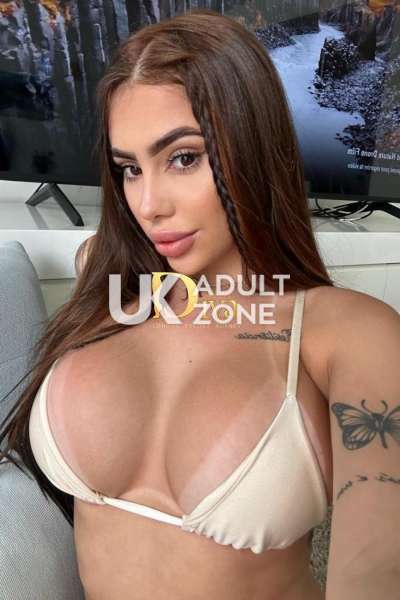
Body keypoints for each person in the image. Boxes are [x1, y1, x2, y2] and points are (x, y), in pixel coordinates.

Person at [1, 9, 400, 600]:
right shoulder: (107, 278)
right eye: (129, 169)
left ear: (254, 149)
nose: (148, 205)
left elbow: (377, 571)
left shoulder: (352, 333)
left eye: (184, 157)